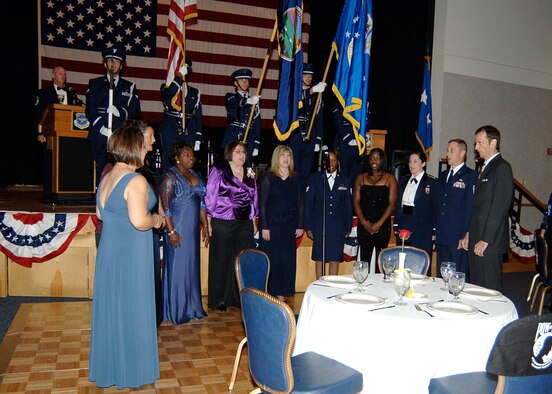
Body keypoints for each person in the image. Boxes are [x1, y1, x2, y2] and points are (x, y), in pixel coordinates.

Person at [89, 121, 164, 389]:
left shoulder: (107, 176)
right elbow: (138, 220)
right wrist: (156, 220)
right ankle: (133, 373)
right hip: (131, 253)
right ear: (134, 148)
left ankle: (111, 368)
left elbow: (100, 214)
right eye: (144, 146)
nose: (148, 149)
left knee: (113, 309)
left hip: (109, 252)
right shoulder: (136, 180)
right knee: (133, 308)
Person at [159, 142, 208, 324]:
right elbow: (166, 208)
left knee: (191, 268)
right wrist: (171, 231)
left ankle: (192, 307)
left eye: (192, 154)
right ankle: (176, 310)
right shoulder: (170, 176)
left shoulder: (196, 174)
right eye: (186, 154)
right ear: (177, 158)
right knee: (178, 268)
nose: (191, 157)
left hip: (193, 229)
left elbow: (202, 204)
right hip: (177, 228)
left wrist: (206, 226)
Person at [205, 141, 258, 311]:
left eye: (243, 152)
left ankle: (237, 297)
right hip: (222, 221)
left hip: (244, 224)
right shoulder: (219, 170)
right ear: (229, 153)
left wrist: (253, 219)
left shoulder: (249, 173)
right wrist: (208, 220)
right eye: (237, 152)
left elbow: (253, 198)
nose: (241, 155)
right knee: (222, 260)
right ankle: (219, 299)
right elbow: (210, 196)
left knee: (241, 260)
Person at [460, 126, 514, 292]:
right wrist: (470, 233)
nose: (476, 147)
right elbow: (478, 207)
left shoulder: (502, 168)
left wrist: (486, 240)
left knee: (490, 288)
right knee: (477, 285)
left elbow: (499, 207)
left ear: (493, 143)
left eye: (480, 143)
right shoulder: (485, 168)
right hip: (477, 236)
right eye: (476, 143)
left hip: (489, 242)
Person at [86, 47, 141, 185]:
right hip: (100, 134)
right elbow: (90, 109)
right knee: (100, 170)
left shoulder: (129, 87)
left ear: (121, 66)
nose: (113, 64)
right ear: (104, 64)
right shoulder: (95, 84)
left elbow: (135, 111)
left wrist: (120, 112)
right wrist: (101, 127)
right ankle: (99, 201)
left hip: (120, 136)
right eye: (110, 61)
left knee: (120, 170)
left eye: (116, 61)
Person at [259, 145, 304, 300]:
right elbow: (262, 204)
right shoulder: (268, 177)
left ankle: (282, 292)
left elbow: (300, 203)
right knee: (272, 260)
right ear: (277, 157)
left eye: (288, 156)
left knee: (287, 260)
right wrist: (264, 227)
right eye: (283, 155)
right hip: (271, 226)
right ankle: (269, 292)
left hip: (289, 226)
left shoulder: (296, 177)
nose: (286, 158)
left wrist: (300, 225)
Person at [35, 66, 83, 199]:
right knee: (50, 165)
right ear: (53, 75)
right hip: (50, 136)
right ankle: (49, 195)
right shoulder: (43, 94)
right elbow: (38, 115)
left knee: (67, 164)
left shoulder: (71, 93)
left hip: (68, 137)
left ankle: (65, 193)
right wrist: (39, 133)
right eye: (60, 74)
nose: (63, 76)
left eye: (64, 74)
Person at [305, 148, 353, 279]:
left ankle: (332, 285)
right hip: (319, 224)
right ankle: (320, 285)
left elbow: (348, 206)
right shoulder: (315, 178)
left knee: (334, 258)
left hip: (338, 226)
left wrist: (348, 227)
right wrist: (308, 226)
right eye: (328, 160)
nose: (331, 163)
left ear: (338, 162)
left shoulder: (345, 180)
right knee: (320, 257)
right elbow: (308, 204)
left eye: (334, 160)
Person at [435, 139, 477, 278]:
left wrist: (466, 233)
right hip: (442, 234)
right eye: (447, 150)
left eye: (452, 150)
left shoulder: (470, 176)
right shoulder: (443, 176)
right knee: (442, 275)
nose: (448, 153)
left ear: (462, 153)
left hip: (458, 236)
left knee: (457, 276)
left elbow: (470, 207)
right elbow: (439, 205)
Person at [353, 148, 398, 269]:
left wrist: (379, 224)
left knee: (381, 262)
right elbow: (356, 202)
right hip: (364, 225)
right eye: (372, 158)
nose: (374, 161)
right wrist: (364, 223)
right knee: (364, 261)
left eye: (377, 158)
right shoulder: (360, 178)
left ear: (382, 160)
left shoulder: (390, 179)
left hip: (382, 226)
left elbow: (392, 204)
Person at [159, 58, 203, 173]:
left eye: (186, 69)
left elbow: (198, 115)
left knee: (188, 161)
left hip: (189, 130)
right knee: (170, 162)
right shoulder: (166, 87)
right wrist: (179, 77)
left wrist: (198, 137)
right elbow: (168, 94)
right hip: (170, 129)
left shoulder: (195, 92)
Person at [394, 151, 437, 267]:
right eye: (409, 161)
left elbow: (435, 209)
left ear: (423, 163)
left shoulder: (432, 183)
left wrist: (434, 231)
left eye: (415, 161)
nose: (411, 164)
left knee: (419, 265)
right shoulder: (403, 180)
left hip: (422, 230)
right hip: (404, 227)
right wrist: (396, 225)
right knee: (402, 263)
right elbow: (399, 204)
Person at [287, 64, 326, 179]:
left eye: (310, 75)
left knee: (306, 171)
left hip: (310, 135)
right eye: (305, 75)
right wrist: (313, 90)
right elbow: (297, 100)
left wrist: (318, 140)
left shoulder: (316, 96)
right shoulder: (293, 92)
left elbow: (319, 118)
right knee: (294, 169)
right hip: (295, 134)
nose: (308, 78)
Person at [221, 68, 260, 167]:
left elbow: (257, 123)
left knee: (247, 168)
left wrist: (256, 144)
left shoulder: (254, 101)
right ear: (235, 83)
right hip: (234, 135)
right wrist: (248, 101)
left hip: (249, 137)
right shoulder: (230, 97)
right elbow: (234, 103)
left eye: (247, 80)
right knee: (231, 167)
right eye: (242, 80)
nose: (245, 82)